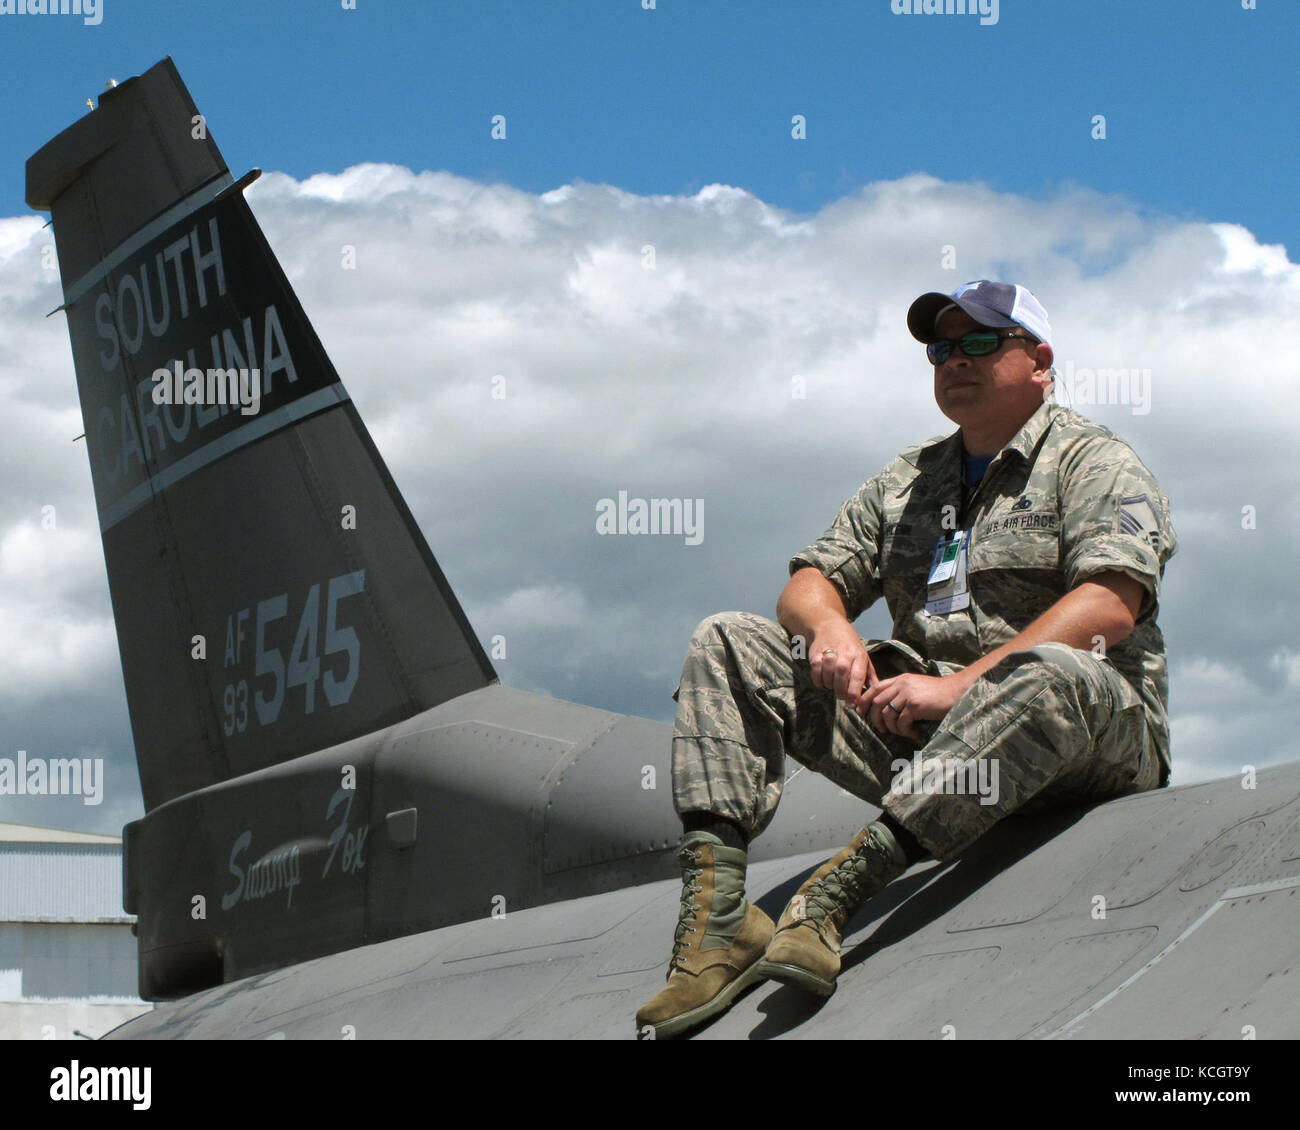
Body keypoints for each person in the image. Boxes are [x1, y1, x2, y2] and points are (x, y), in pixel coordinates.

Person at [635, 280, 1176, 1039]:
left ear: (1041, 361)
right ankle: (718, 926)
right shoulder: (908, 481)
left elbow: (1108, 607)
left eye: (981, 342)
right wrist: (831, 632)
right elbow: (810, 581)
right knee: (729, 638)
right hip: (935, 753)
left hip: (1081, 742)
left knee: (1056, 670)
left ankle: (838, 896)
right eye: (941, 347)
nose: (956, 359)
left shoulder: (1095, 461)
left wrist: (955, 688)